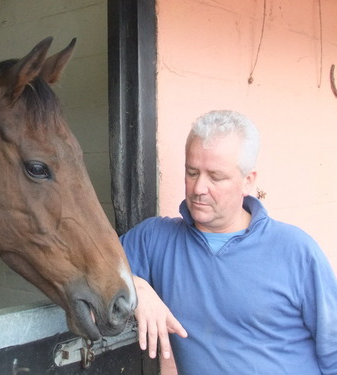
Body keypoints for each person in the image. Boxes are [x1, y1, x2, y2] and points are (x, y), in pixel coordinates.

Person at [120, 110, 337, 374]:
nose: (199, 188)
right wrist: (136, 287)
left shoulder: (296, 251)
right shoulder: (154, 239)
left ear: (248, 181)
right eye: (191, 172)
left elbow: (333, 349)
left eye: (216, 177)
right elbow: (88, 271)